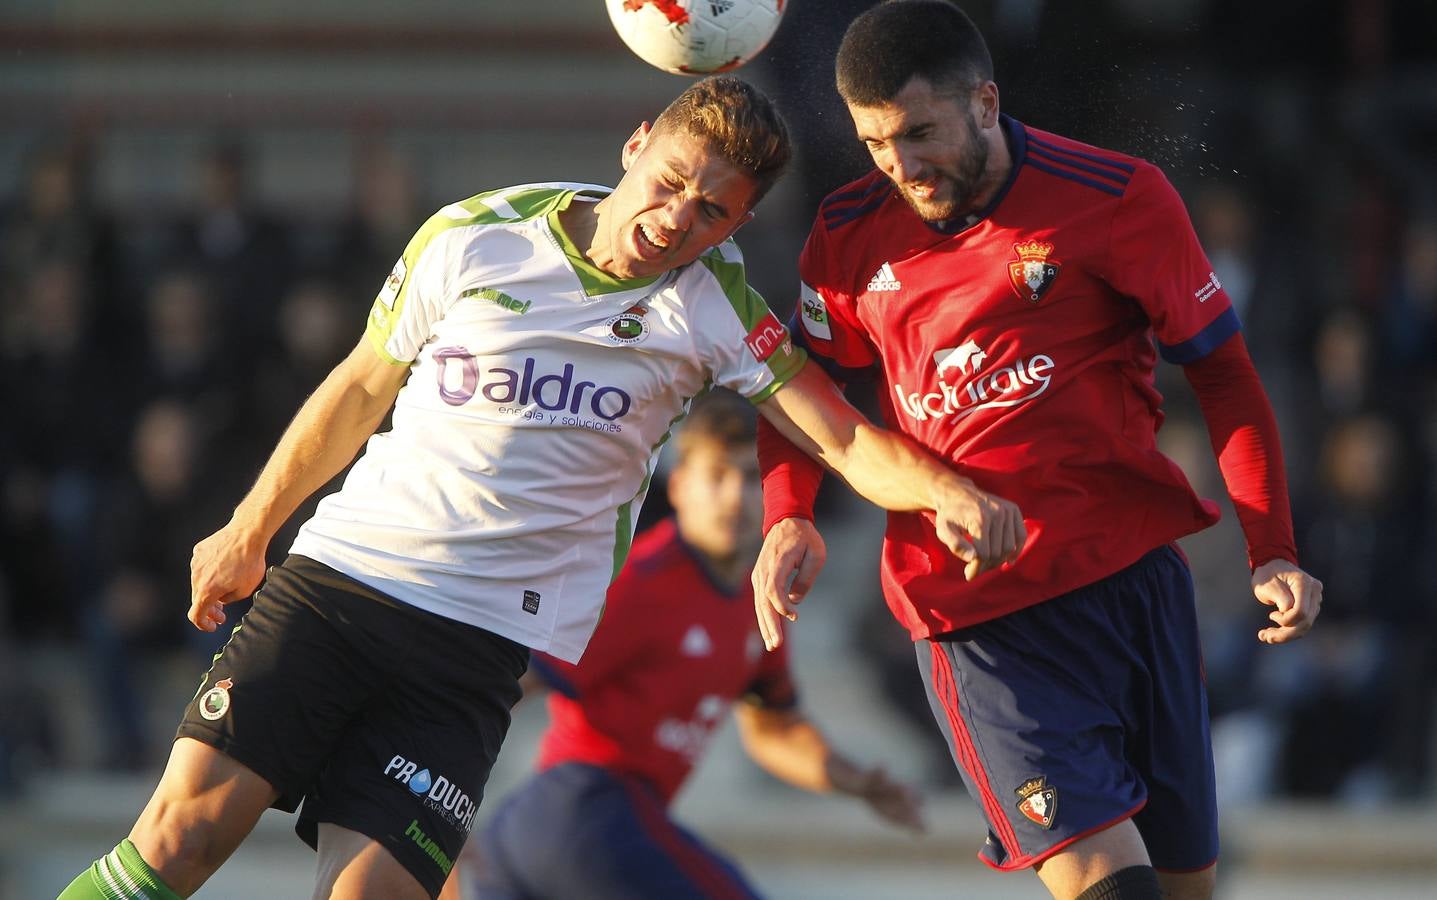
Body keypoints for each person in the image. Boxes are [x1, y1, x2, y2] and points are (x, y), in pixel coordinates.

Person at [58, 75, 1011, 900]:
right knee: (179, 841)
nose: (677, 217)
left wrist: (948, 492)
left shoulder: (712, 302)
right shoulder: (477, 232)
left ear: (739, 223)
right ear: (636, 145)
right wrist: (248, 528)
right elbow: (357, 388)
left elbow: (843, 438)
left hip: (476, 657)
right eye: (670, 182)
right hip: (341, 588)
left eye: (711, 211)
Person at [751, 4, 1323, 900]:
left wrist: (1272, 546)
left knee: (1184, 888)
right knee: (1109, 888)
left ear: (984, 101)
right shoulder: (850, 232)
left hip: (1132, 585)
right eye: (873, 144)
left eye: (917, 133)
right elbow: (799, 390)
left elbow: (1225, 375)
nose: (899, 166)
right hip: (977, 619)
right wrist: (787, 515)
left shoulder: (1116, 197)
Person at [440, 390, 925, 900]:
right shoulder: (642, 583)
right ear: (678, 485)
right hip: (580, 810)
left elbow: (772, 730)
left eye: (751, 476)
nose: (735, 496)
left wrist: (858, 782)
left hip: (561, 837)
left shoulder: (759, 597)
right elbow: (508, 687)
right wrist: (436, 812)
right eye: (717, 475)